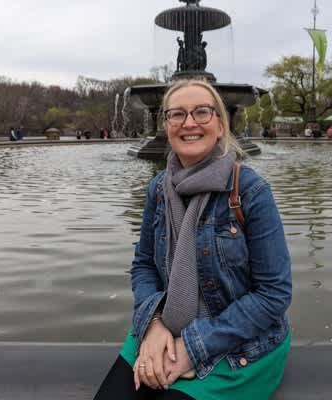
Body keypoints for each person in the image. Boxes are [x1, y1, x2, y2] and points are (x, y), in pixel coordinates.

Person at [93, 79, 292, 400]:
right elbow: (144, 266)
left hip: (242, 344)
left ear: (221, 124)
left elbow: (273, 294)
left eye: (202, 112)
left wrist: (191, 347)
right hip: (165, 326)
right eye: (177, 114)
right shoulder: (159, 189)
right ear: (167, 125)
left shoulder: (251, 191)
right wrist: (154, 325)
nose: (189, 123)